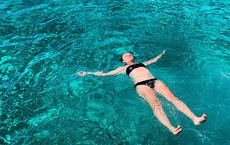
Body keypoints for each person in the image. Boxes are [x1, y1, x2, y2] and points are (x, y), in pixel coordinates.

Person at [76, 50, 207, 135]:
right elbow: (104, 74)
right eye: (126, 55)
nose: (129, 55)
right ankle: (171, 128)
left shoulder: (142, 63)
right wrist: (87, 73)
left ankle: (194, 118)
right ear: (123, 61)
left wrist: (162, 54)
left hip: (155, 81)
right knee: (156, 105)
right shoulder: (122, 68)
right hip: (141, 85)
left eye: (130, 54)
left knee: (174, 99)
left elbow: (153, 60)